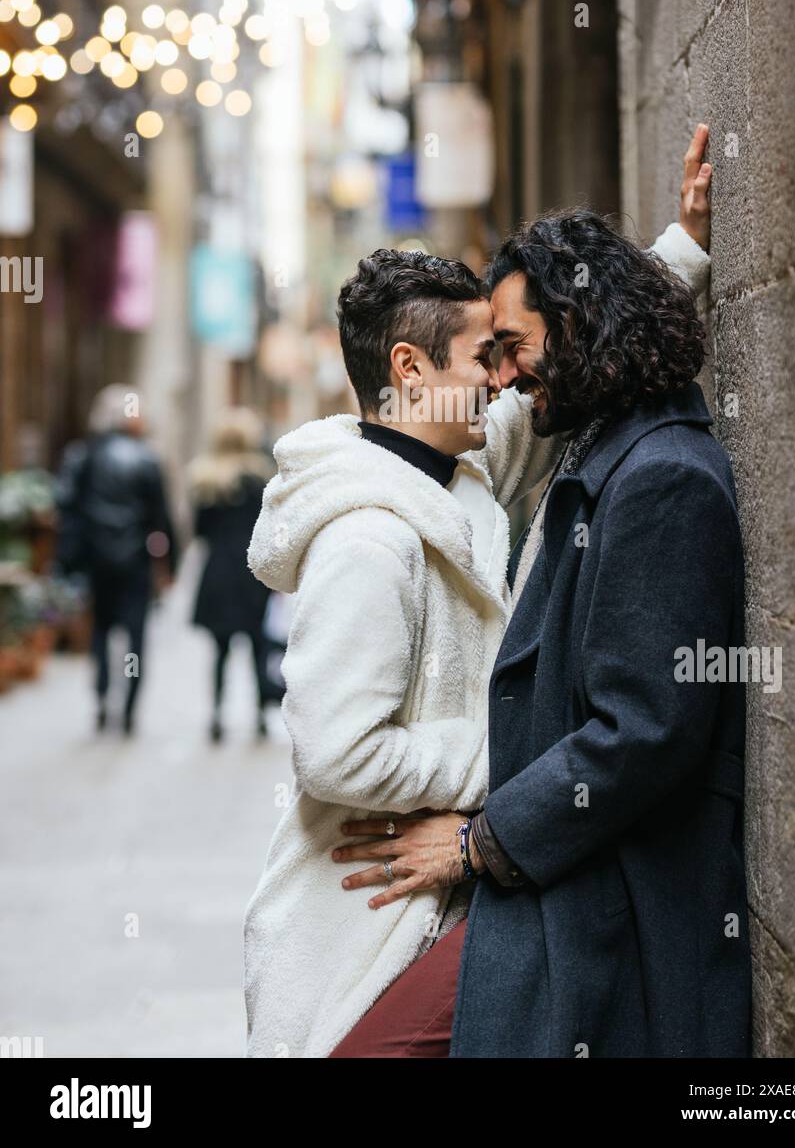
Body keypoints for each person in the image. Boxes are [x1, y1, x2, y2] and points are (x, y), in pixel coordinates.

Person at [243, 130, 712, 1058]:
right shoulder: (368, 538)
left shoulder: (453, 474)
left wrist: (682, 252)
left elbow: (572, 355)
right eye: (479, 356)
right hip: (360, 913)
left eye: (504, 353)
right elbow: (333, 753)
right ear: (411, 373)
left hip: (448, 892)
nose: (499, 380)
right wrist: (518, 752)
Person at [55, 384, 177, 735]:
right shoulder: (147, 458)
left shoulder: (84, 455)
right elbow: (162, 518)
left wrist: (69, 558)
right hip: (135, 561)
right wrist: (170, 565)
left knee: (101, 630)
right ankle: (129, 705)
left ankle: (102, 695)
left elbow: (67, 506)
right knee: (135, 637)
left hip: (97, 560)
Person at [188, 408, 276, 742]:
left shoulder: (205, 481)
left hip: (218, 573)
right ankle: (259, 716)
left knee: (220, 650)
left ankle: (216, 714)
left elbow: (199, 532)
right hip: (252, 573)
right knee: (257, 646)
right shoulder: (260, 479)